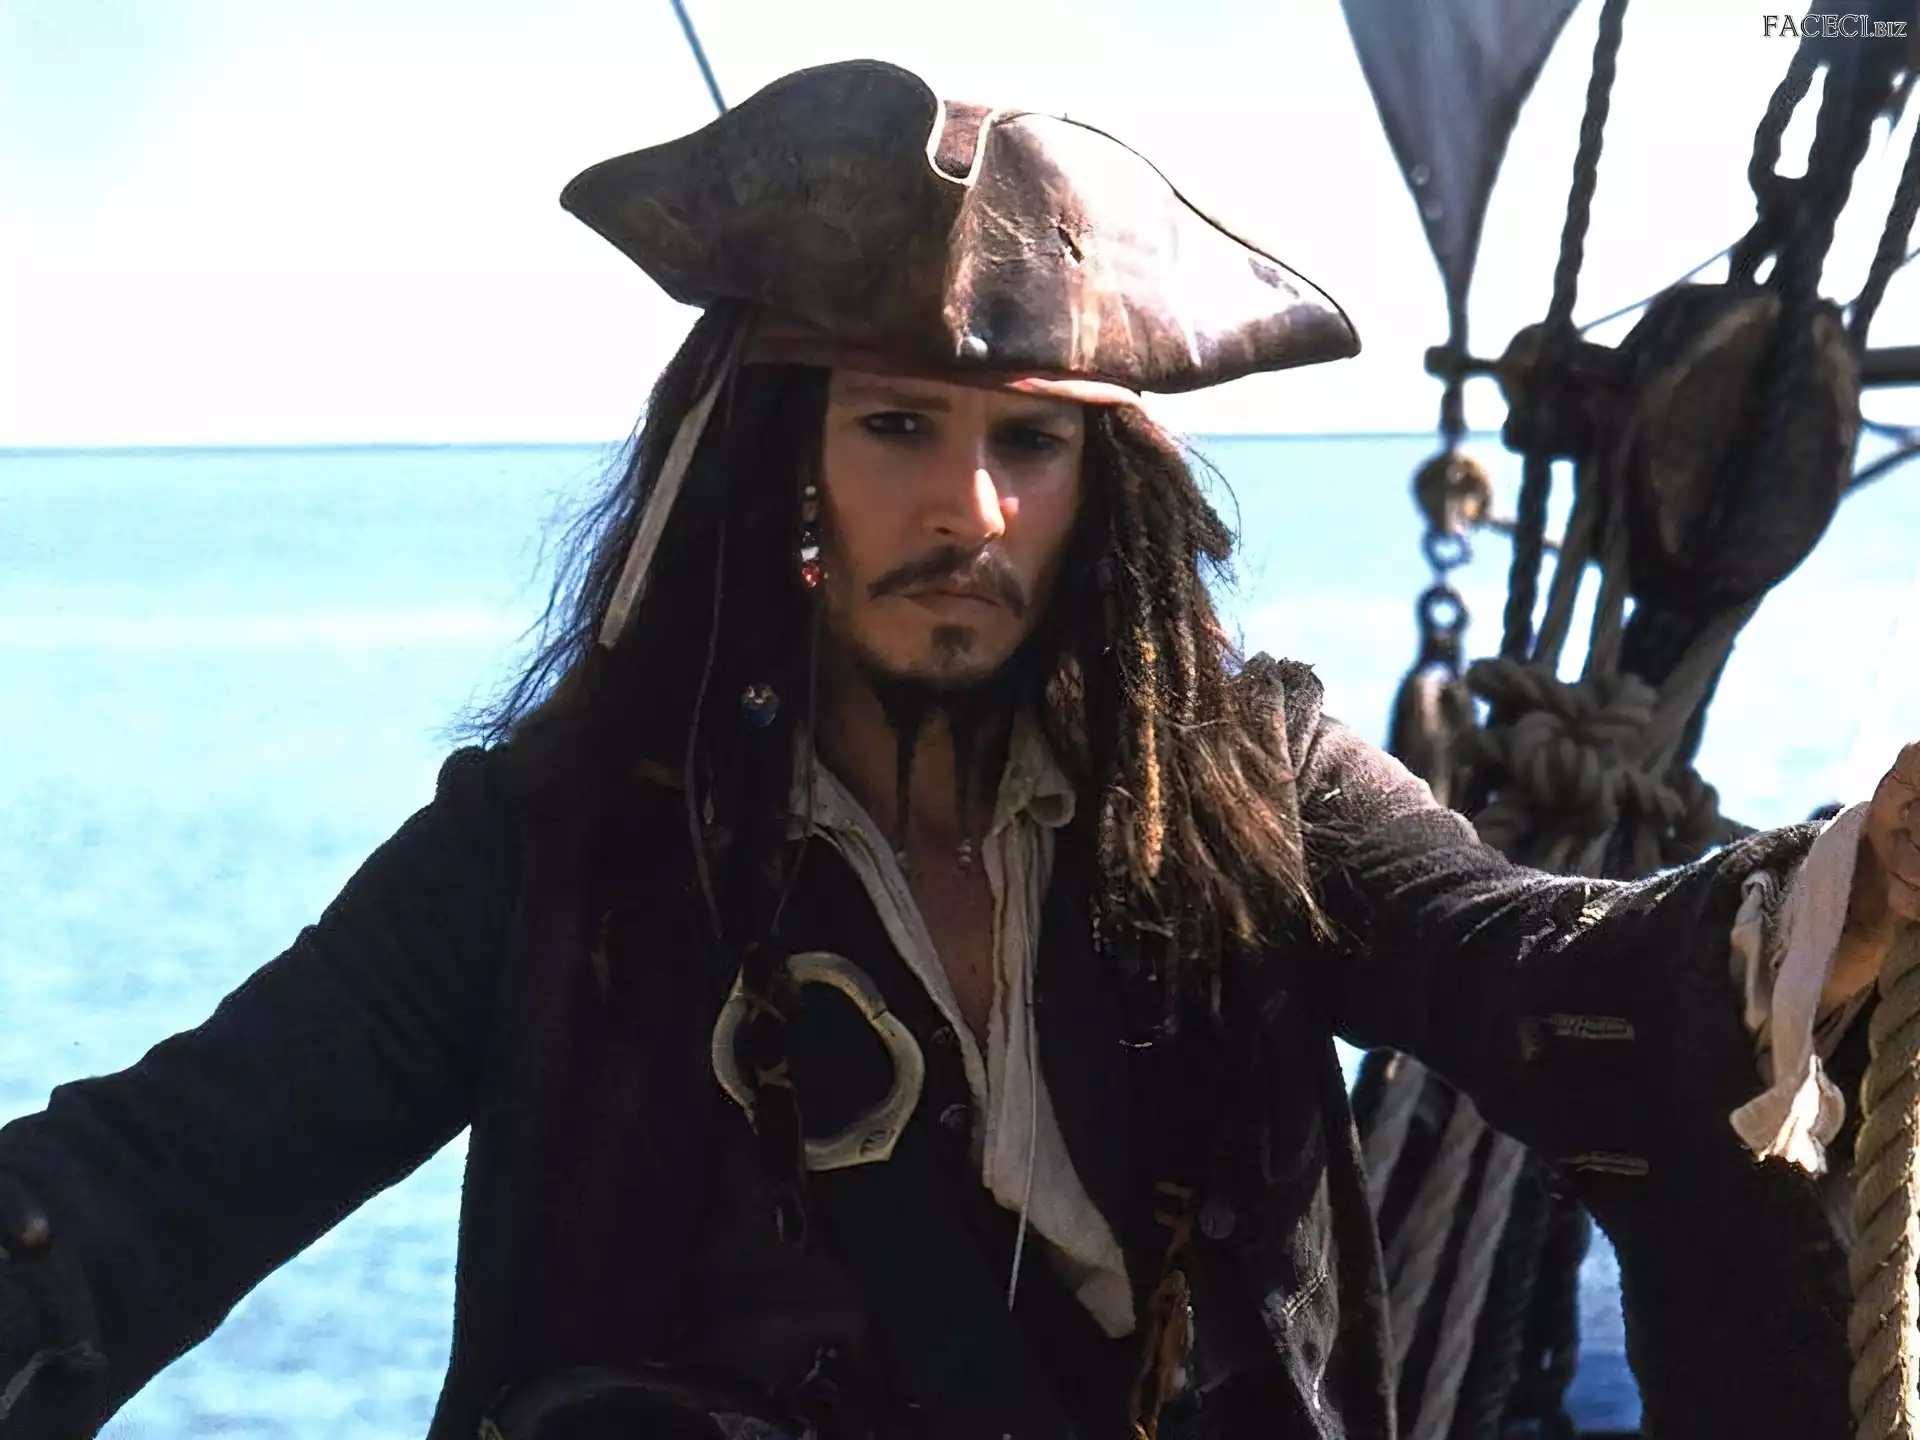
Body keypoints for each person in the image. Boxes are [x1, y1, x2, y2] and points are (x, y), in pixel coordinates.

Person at [1, 57, 1915, 1440]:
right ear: (787, 463)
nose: (969, 509)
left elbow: (1518, 964)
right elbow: (170, 1173)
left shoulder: (1242, 782)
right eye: (899, 428)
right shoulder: (558, 848)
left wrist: (1848, 891)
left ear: (1102, 489)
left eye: (1029, 443)